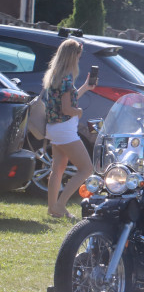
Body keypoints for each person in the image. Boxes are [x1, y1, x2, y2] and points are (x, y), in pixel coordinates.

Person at [41, 38, 97, 220]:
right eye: (78, 57)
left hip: (54, 127)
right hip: (65, 129)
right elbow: (67, 109)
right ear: (72, 57)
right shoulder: (66, 77)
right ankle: (60, 204)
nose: (79, 61)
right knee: (86, 168)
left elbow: (66, 100)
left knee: (57, 168)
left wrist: (85, 88)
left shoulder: (55, 75)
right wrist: (79, 112)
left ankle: (52, 208)